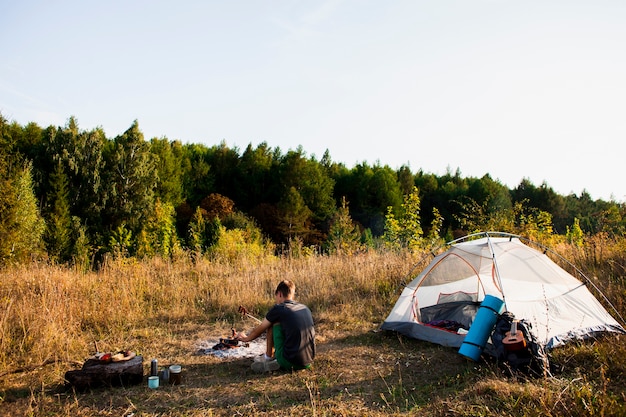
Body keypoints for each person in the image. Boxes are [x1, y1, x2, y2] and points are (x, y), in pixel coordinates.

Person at [235, 280, 315, 373]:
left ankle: (268, 358)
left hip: (290, 362)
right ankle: (277, 358)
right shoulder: (304, 308)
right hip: (308, 360)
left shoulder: (279, 308)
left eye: (276, 296)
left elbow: (260, 329)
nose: (276, 300)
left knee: (272, 322)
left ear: (279, 294)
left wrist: (245, 338)